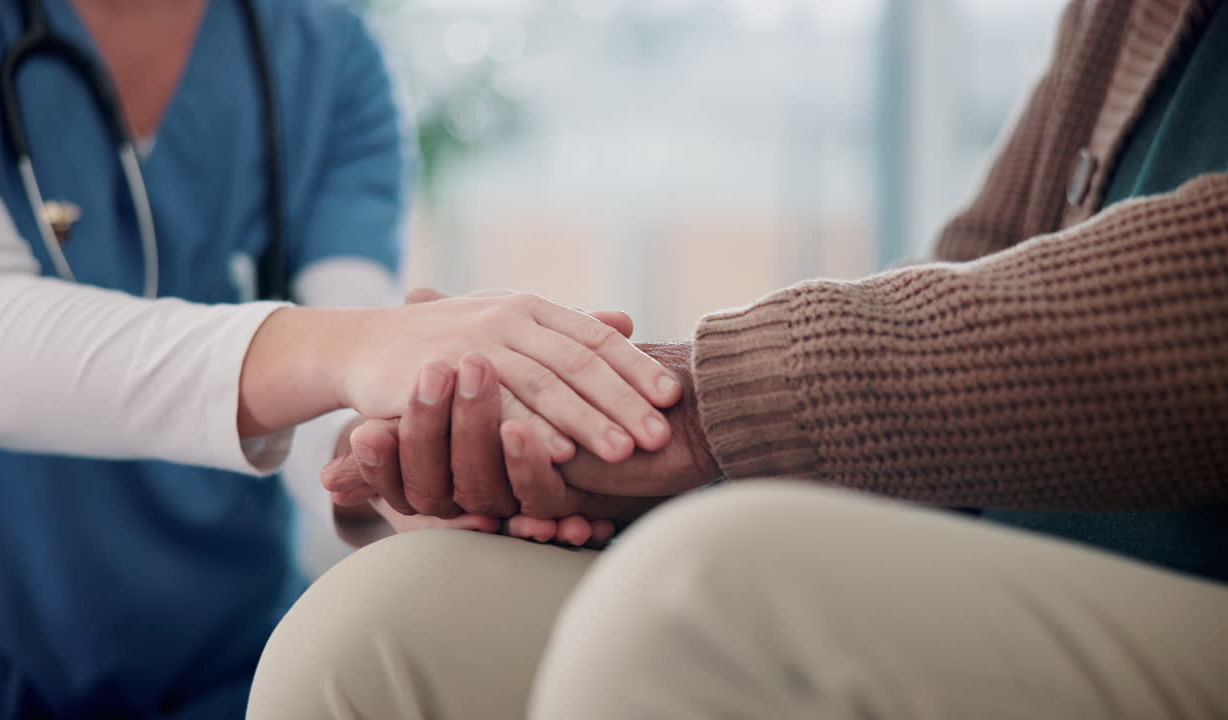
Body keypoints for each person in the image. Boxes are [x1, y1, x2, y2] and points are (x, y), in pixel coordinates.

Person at [248, 0, 1228, 717]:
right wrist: (560, 459)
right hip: (1012, 567)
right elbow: (970, 281)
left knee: (700, 599)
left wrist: (692, 414)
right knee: (380, 631)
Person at [0, 0, 683, 716]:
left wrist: (404, 463)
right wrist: (355, 346)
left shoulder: (329, 58)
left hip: (227, 671)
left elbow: (338, 405)